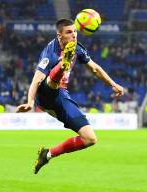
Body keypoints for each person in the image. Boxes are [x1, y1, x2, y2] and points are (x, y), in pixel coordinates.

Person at [16, 19, 124, 174]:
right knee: (52, 82)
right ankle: (62, 65)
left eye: (75, 31)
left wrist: (113, 84)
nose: (74, 35)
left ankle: (47, 154)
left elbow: (95, 68)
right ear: (59, 35)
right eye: (69, 32)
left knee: (90, 139)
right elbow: (37, 79)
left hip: (61, 96)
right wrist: (30, 102)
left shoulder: (77, 48)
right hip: (44, 94)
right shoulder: (50, 53)